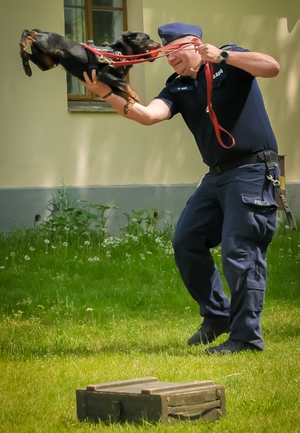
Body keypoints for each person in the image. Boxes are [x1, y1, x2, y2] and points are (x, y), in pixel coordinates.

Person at [81, 22, 281, 355]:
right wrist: (105, 93)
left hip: (252, 170)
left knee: (239, 250)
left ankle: (246, 338)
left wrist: (224, 56)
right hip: (216, 177)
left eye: (174, 52)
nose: (170, 61)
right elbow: (147, 116)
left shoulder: (228, 62)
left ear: (195, 44)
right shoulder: (176, 87)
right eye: (165, 55)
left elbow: (272, 67)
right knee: (186, 241)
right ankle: (218, 315)